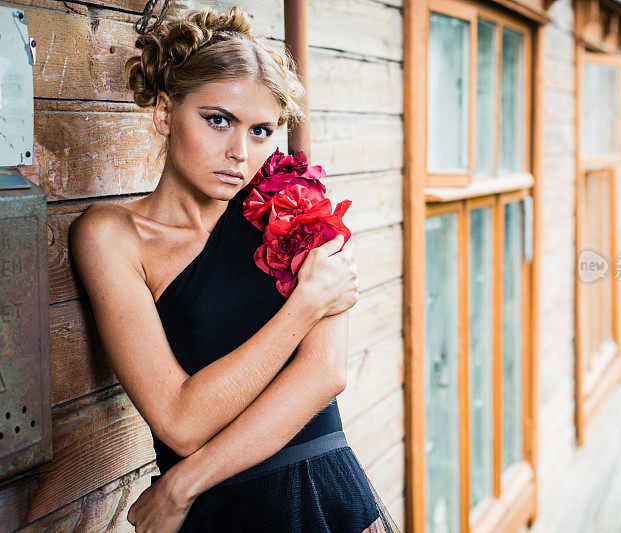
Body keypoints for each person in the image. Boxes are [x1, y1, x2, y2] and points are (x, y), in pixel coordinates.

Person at [69, 5, 400, 532]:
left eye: (261, 130)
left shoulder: (298, 209)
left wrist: (182, 485)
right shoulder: (111, 236)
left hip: (323, 496)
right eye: (218, 120)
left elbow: (324, 374)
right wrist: (306, 304)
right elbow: (179, 420)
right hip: (225, 516)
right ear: (164, 113)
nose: (239, 153)